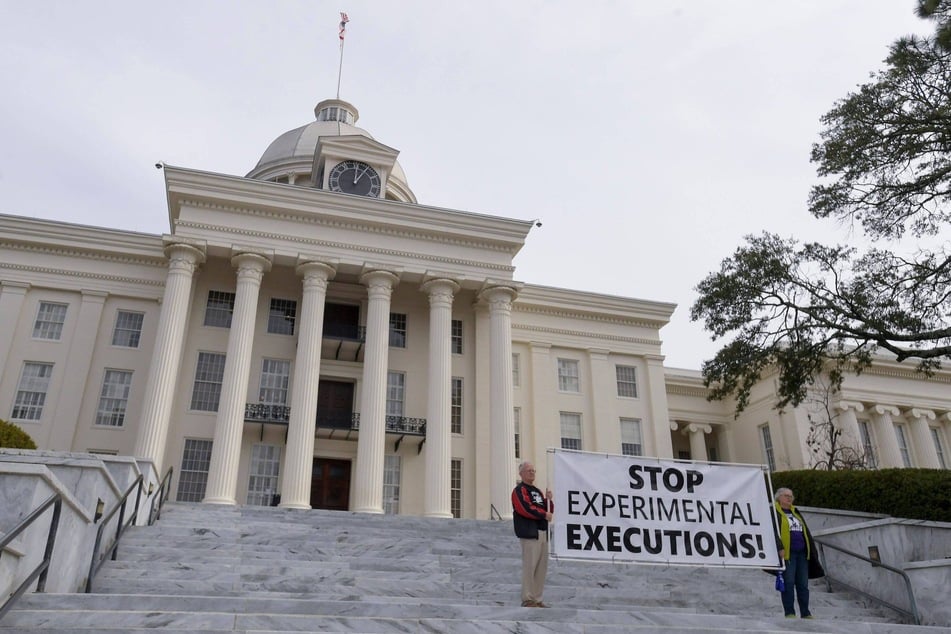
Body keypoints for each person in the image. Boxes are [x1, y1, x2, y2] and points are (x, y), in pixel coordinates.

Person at [511, 461, 553, 608]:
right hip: (529, 533)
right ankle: (528, 598)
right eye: (529, 470)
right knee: (530, 567)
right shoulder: (519, 490)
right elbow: (524, 508)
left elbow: (547, 510)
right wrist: (543, 514)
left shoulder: (537, 491)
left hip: (542, 532)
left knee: (541, 568)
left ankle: (537, 599)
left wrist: (548, 500)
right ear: (521, 473)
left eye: (533, 470)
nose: (532, 472)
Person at [773, 487, 816, 619]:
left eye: (791, 496)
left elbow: (805, 532)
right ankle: (790, 612)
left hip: (802, 553)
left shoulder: (795, 512)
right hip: (788, 554)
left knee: (803, 584)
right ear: (779, 498)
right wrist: (779, 547)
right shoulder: (775, 513)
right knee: (789, 583)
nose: (789, 498)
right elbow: (773, 531)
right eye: (786, 496)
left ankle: (805, 612)